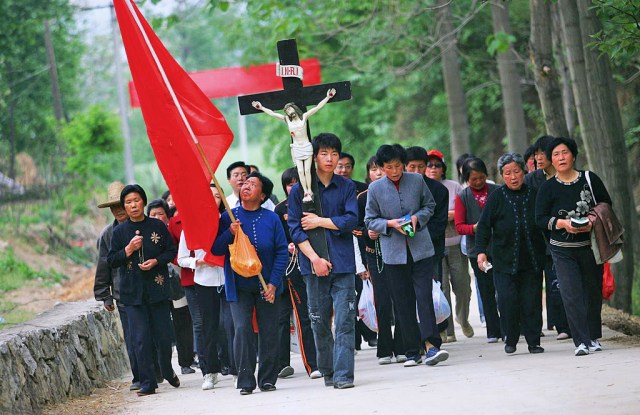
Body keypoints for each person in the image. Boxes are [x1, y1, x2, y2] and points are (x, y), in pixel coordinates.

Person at [365, 144, 449, 367]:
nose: (394, 171)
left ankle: (431, 346)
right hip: (393, 254)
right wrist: (390, 224)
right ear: (381, 168)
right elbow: (370, 220)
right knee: (403, 303)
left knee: (424, 297)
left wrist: (416, 219)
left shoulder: (417, 180)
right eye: (389, 167)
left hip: (421, 250)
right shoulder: (375, 189)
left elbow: (429, 206)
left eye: (398, 166)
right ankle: (412, 351)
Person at [287, 133, 358, 389]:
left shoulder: (347, 187)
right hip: (312, 266)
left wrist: (319, 221)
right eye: (324, 153)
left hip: (344, 265)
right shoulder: (299, 191)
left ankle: (343, 375)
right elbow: (295, 229)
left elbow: (351, 220)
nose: (330, 159)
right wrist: (315, 259)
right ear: (314, 157)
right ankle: (328, 371)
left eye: (334, 153)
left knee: (345, 321)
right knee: (318, 323)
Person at [212, 172, 288, 395]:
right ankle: (245, 380)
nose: (246, 186)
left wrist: (273, 283)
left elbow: (281, 252)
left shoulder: (272, 218)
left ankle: (267, 378)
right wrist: (229, 233)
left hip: (267, 287)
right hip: (238, 285)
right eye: (245, 183)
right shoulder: (229, 216)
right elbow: (216, 249)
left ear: (262, 195)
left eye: (252, 184)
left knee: (269, 331)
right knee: (243, 330)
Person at [535, 137, 611, 356]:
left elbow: (606, 204)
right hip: (561, 248)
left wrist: (591, 221)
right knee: (570, 293)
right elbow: (539, 218)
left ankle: (593, 336)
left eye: (565, 152)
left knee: (592, 292)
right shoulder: (548, 188)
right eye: (556, 154)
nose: (561, 158)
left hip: (590, 245)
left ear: (574, 155)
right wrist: (561, 223)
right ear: (551, 159)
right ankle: (580, 341)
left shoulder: (589, 179)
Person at [107, 184, 180, 396]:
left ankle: (167, 369)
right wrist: (129, 249)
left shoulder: (157, 225)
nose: (133, 205)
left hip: (157, 289)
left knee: (164, 336)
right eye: (128, 202)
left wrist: (156, 261)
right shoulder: (119, 232)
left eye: (136, 200)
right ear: (124, 206)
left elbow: (171, 250)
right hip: (132, 293)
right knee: (140, 339)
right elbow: (111, 260)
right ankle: (148, 383)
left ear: (143, 201)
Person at [475, 153, 546, 355]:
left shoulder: (534, 194)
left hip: (531, 259)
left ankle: (533, 341)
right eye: (508, 173)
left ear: (524, 171)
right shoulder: (496, 197)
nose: (513, 177)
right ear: (502, 176)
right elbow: (484, 227)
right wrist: (481, 252)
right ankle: (511, 339)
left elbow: (543, 222)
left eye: (516, 171)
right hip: (504, 261)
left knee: (531, 301)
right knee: (506, 300)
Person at [355, 156, 405, 365]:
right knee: (382, 301)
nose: (378, 173)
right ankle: (384, 348)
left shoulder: (398, 193)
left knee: (402, 300)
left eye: (381, 169)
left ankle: (402, 346)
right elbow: (357, 228)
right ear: (368, 173)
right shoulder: (362, 197)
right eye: (373, 170)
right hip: (375, 254)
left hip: (399, 252)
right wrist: (369, 234)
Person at [178, 184, 227, 390]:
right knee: (208, 327)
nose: (213, 199)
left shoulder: (228, 221)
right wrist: (196, 263)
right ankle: (209, 371)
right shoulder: (191, 225)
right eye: (209, 196)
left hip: (228, 279)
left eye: (217, 196)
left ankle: (234, 367)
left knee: (230, 326)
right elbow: (181, 258)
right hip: (204, 281)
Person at [273, 168, 321, 380]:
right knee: (300, 316)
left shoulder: (316, 202)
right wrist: (289, 246)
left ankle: (324, 358)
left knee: (319, 312)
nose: (293, 188)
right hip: (291, 268)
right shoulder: (280, 209)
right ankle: (310, 364)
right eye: (289, 184)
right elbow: (278, 239)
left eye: (297, 183)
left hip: (317, 263)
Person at [94, 181, 141, 390]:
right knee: (131, 337)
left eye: (120, 205)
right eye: (114, 207)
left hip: (146, 288)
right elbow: (103, 265)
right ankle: (139, 376)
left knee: (150, 333)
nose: (118, 210)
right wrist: (105, 294)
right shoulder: (107, 235)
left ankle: (156, 370)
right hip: (122, 292)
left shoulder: (143, 226)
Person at [253, 89, 336, 203]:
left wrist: (327, 97)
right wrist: (261, 108)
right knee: (300, 171)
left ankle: (310, 191)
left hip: (306, 146)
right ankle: (306, 191)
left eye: (289, 109)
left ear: (294, 108)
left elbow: (317, 107)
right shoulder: (287, 119)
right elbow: (273, 114)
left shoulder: (304, 117)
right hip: (296, 148)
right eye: (286, 111)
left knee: (307, 170)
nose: (288, 112)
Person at [425, 149, 474, 342]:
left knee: (462, 285)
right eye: (430, 165)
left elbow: (463, 212)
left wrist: (443, 216)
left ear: (443, 168)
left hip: (455, 244)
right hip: (434, 245)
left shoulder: (454, 187)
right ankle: (447, 330)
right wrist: (448, 215)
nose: (433, 168)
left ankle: (463, 318)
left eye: (437, 165)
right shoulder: (422, 187)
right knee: (441, 288)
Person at [525, 136, 571, 340]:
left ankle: (563, 325)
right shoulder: (531, 179)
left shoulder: (567, 177)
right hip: (535, 240)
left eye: (542, 153)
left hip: (561, 236)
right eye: (536, 154)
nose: (538, 157)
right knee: (535, 286)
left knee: (558, 283)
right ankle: (534, 327)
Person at [404, 146, 450, 343]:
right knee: (408, 295)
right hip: (403, 249)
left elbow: (439, 224)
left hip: (430, 250)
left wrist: (417, 239)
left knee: (430, 293)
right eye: (411, 167)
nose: (416, 171)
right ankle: (414, 338)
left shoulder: (438, 190)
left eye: (420, 167)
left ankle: (435, 333)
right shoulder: (398, 188)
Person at [455, 157, 502, 343]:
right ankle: (493, 329)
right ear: (466, 178)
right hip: (477, 249)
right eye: (473, 179)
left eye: (481, 177)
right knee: (486, 289)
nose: (478, 182)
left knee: (504, 288)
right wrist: (475, 228)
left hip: (500, 246)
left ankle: (509, 326)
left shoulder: (497, 191)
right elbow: (459, 226)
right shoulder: (463, 197)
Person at [147, 199, 195, 376]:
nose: (157, 217)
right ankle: (161, 367)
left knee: (182, 322)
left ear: (167, 216)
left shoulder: (173, 231)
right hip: (155, 285)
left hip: (177, 281)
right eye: (153, 214)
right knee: (160, 326)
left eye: (160, 214)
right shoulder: (145, 234)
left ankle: (186, 361)